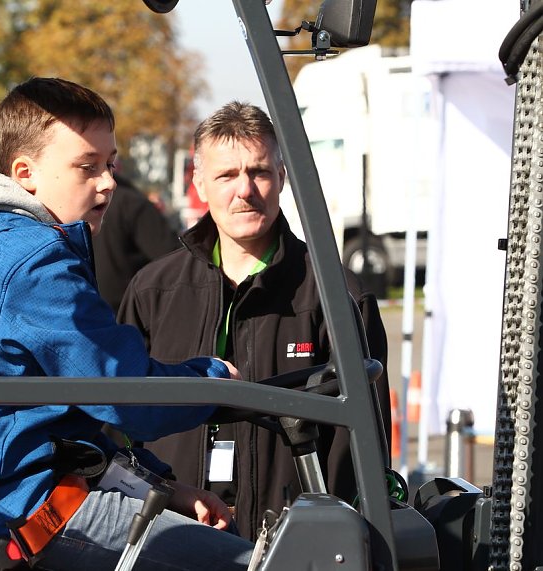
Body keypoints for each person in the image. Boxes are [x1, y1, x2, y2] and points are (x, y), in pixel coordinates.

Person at [0, 77, 256, 569]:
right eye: (87, 167)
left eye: (110, 164)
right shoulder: (31, 261)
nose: (108, 182)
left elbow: (71, 424)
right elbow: (129, 395)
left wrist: (164, 487)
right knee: (251, 562)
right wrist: (217, 381)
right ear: (24, 172)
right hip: (22, 517)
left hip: (11, 500)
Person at [118, 101, 392, 542]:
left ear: (282, 178)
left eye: (259, 172)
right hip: (169, 540)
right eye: (227, 175)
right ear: (200, 183)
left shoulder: (335, 295)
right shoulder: (153, 291)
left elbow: (360, 451)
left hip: (291, 546)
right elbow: (119, 423)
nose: (244, 189)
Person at [92, 173, 181, 313]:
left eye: (110, 164)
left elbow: (173, 259)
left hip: (112, 314)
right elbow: (176, 260)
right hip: (122, 314)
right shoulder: (129, 201)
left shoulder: (128, 203)